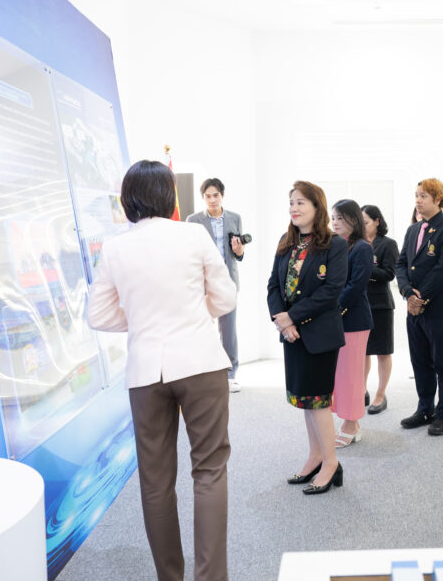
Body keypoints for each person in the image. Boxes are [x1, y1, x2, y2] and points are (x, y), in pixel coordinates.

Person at [87, 160, 237, 581]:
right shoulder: (194, 234)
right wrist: (193, 312)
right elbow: (225, 299)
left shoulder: (115, 247)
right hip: (201, 363)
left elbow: (98, 315)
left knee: (155, 483)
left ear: (128, 200)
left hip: (145, 372)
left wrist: (138, 319)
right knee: (209, 471)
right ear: (169, 197)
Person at [266, 181, 348, 494]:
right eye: (291, 203)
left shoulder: (335, 245)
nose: (294, 209)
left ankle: (331, 464)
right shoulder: (286, 242)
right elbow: (273, 285)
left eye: (301, 202)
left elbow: (331, 291)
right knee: (305, 401)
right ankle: (315, 456)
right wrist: (282, 321)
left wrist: (293, 316)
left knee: (318, 402)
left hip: (319, 334)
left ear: (317, 207)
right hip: (293, 335)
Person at [395, 178, 443, 436]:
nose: (418, 201)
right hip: (413, 306)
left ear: (438, 199)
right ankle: (425, 409)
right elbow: (401, 264)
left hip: (439, 308)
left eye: (423, 196)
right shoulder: (413, 230)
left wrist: (419, 298)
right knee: (420, 360)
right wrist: (407, 293)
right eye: (416, 196)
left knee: (442, 362)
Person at [186, 177, 246, 392]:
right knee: (202, 327)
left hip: (227, 280)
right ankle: (204, 371)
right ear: (203, 198)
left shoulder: (234, 218)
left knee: (229, 329)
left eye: (216, 195)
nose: (212, 200)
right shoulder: (193, 220)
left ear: (222, 195)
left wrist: (239, 252)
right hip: (202, 281)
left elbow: (238, 254)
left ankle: (230, 374)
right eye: (208, 196)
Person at [329, 199, 373, 446]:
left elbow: (356, 285)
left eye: (340, 218)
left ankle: (351, 422)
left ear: (353, 220)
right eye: (333, 218)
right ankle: (352, 421)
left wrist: (335, 308)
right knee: (340, 374)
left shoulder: (362, 248)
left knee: (352, 375)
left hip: (353, 319)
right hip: (336, 319)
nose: (334, 223)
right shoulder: (337, 245)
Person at [361, 204, 399, 414]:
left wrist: (366, 268)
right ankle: (362, 390)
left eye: (366, 221)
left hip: (381, 305)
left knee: (383, 352)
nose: (362, 225)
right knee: (362, 352)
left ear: (377, 221)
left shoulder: (388, 244)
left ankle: (380, 394)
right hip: (359, 304)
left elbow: (389, 274)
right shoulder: (354, 243)